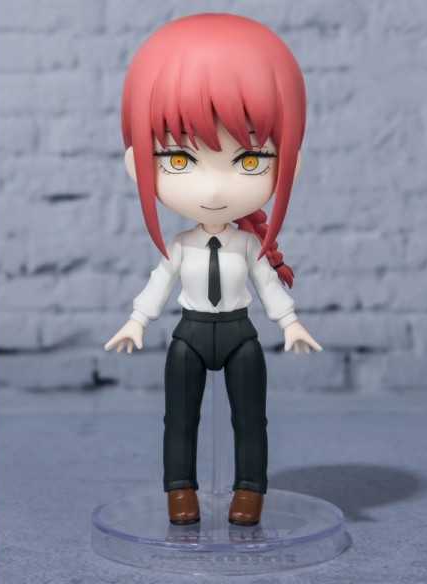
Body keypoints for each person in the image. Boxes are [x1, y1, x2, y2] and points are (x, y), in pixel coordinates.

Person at [104, 13, 322, 526]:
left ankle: (250, 491)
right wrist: (137, 320)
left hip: (241, 335)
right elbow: (159, 283)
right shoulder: (181, 247)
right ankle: (180, 490)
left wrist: (290, 323)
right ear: (138, 164)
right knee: (179, 420)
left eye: (249, 161)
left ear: (290, 162)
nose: (215, 189)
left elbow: (267, 284)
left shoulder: (248, 245)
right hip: (191, 335)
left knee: (251, 420)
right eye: (180, 161)